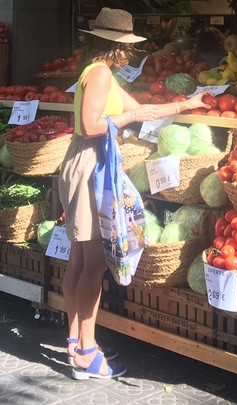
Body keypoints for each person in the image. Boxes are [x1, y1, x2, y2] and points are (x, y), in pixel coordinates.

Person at [58, 7, 211, 380]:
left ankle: (77, 340)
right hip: (90, 167)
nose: (128, 54)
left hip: (88, 164)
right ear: (114, 47)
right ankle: (87, 354)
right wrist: (122, 121)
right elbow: (90, 125)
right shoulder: (98, 75)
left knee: (80, 259)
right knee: (93, 263)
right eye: (125, 47)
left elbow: (141, 109)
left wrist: (185, 105)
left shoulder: (100, 74)